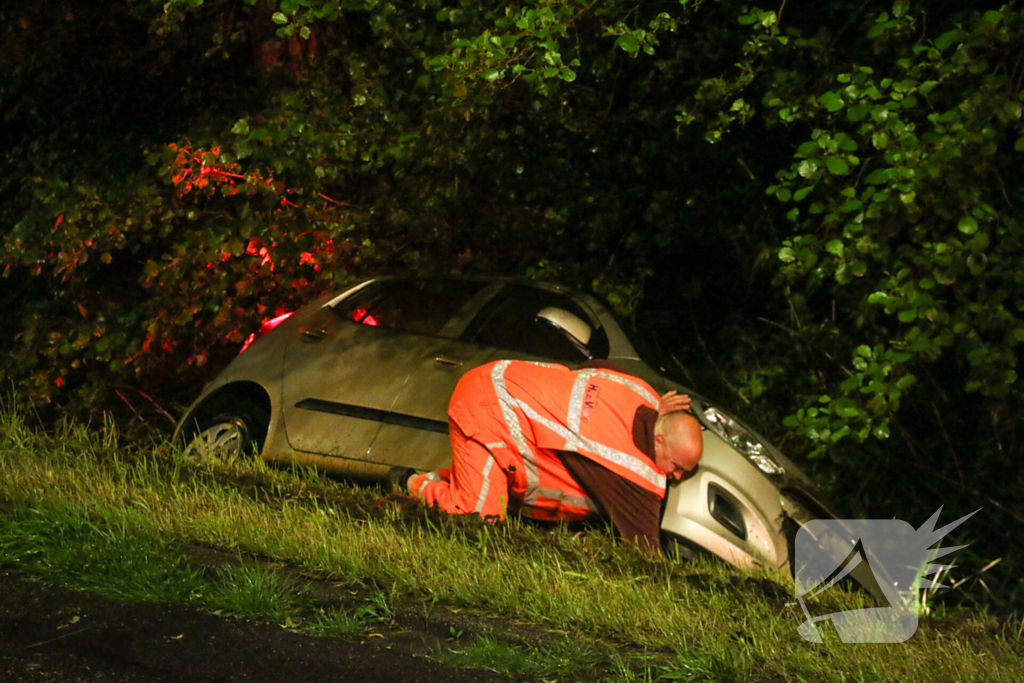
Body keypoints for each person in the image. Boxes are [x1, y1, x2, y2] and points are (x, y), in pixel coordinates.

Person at [390, 359, 703, 552]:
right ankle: (414, 482)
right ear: (659, 440)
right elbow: (645, 553)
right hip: (487, 409)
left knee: (546, 484)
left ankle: (464, 481)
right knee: (479, 520)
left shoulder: (644, 393)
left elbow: (595, 366)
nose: (676, 476)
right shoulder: (627, 469)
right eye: (676, 467)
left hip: (503, 381)